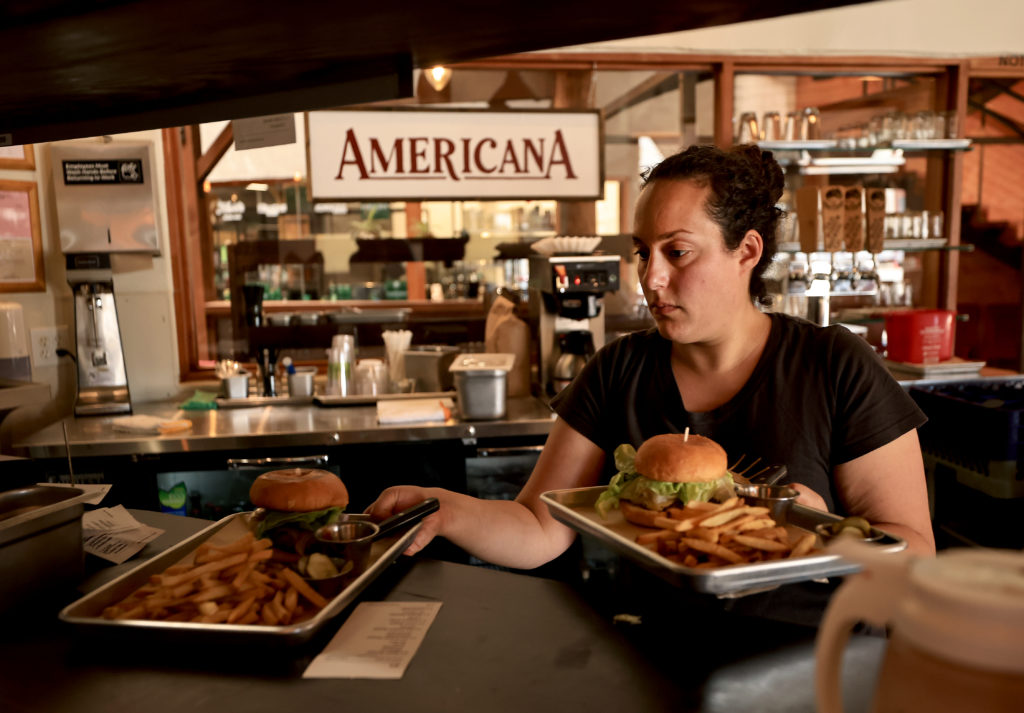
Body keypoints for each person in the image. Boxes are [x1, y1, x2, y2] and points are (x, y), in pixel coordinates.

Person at [368, 144, 935, 619]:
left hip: (812, 665)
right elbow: (541, 526)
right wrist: (445, 509)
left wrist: (829, 533)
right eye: (642, 253)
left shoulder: (834, 364)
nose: (651, 277)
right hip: (657, 659)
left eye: (678, 252)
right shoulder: (620, 369)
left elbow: (917, 556)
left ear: (748, 251)